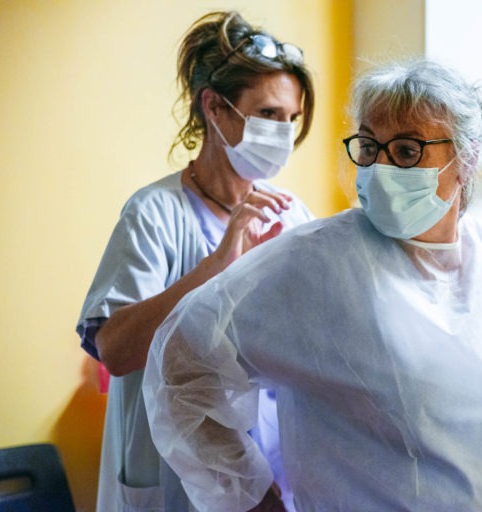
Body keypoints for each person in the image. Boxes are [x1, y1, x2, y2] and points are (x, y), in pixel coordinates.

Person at [143, 59, 482, 512]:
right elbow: (180, 363)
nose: (381, 167)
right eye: (370, 147)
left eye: (407, 151)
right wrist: (251, 498)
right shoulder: (315, 263)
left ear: (466, 158)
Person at [76, 11, 315, 512]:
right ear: (215, 108)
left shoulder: (291, 216)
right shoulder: (154, 214)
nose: (283, 133)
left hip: (272, 480)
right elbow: (115, 351)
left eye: (290, 119)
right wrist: (220, 262)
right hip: (173, 485)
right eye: (268, 114)